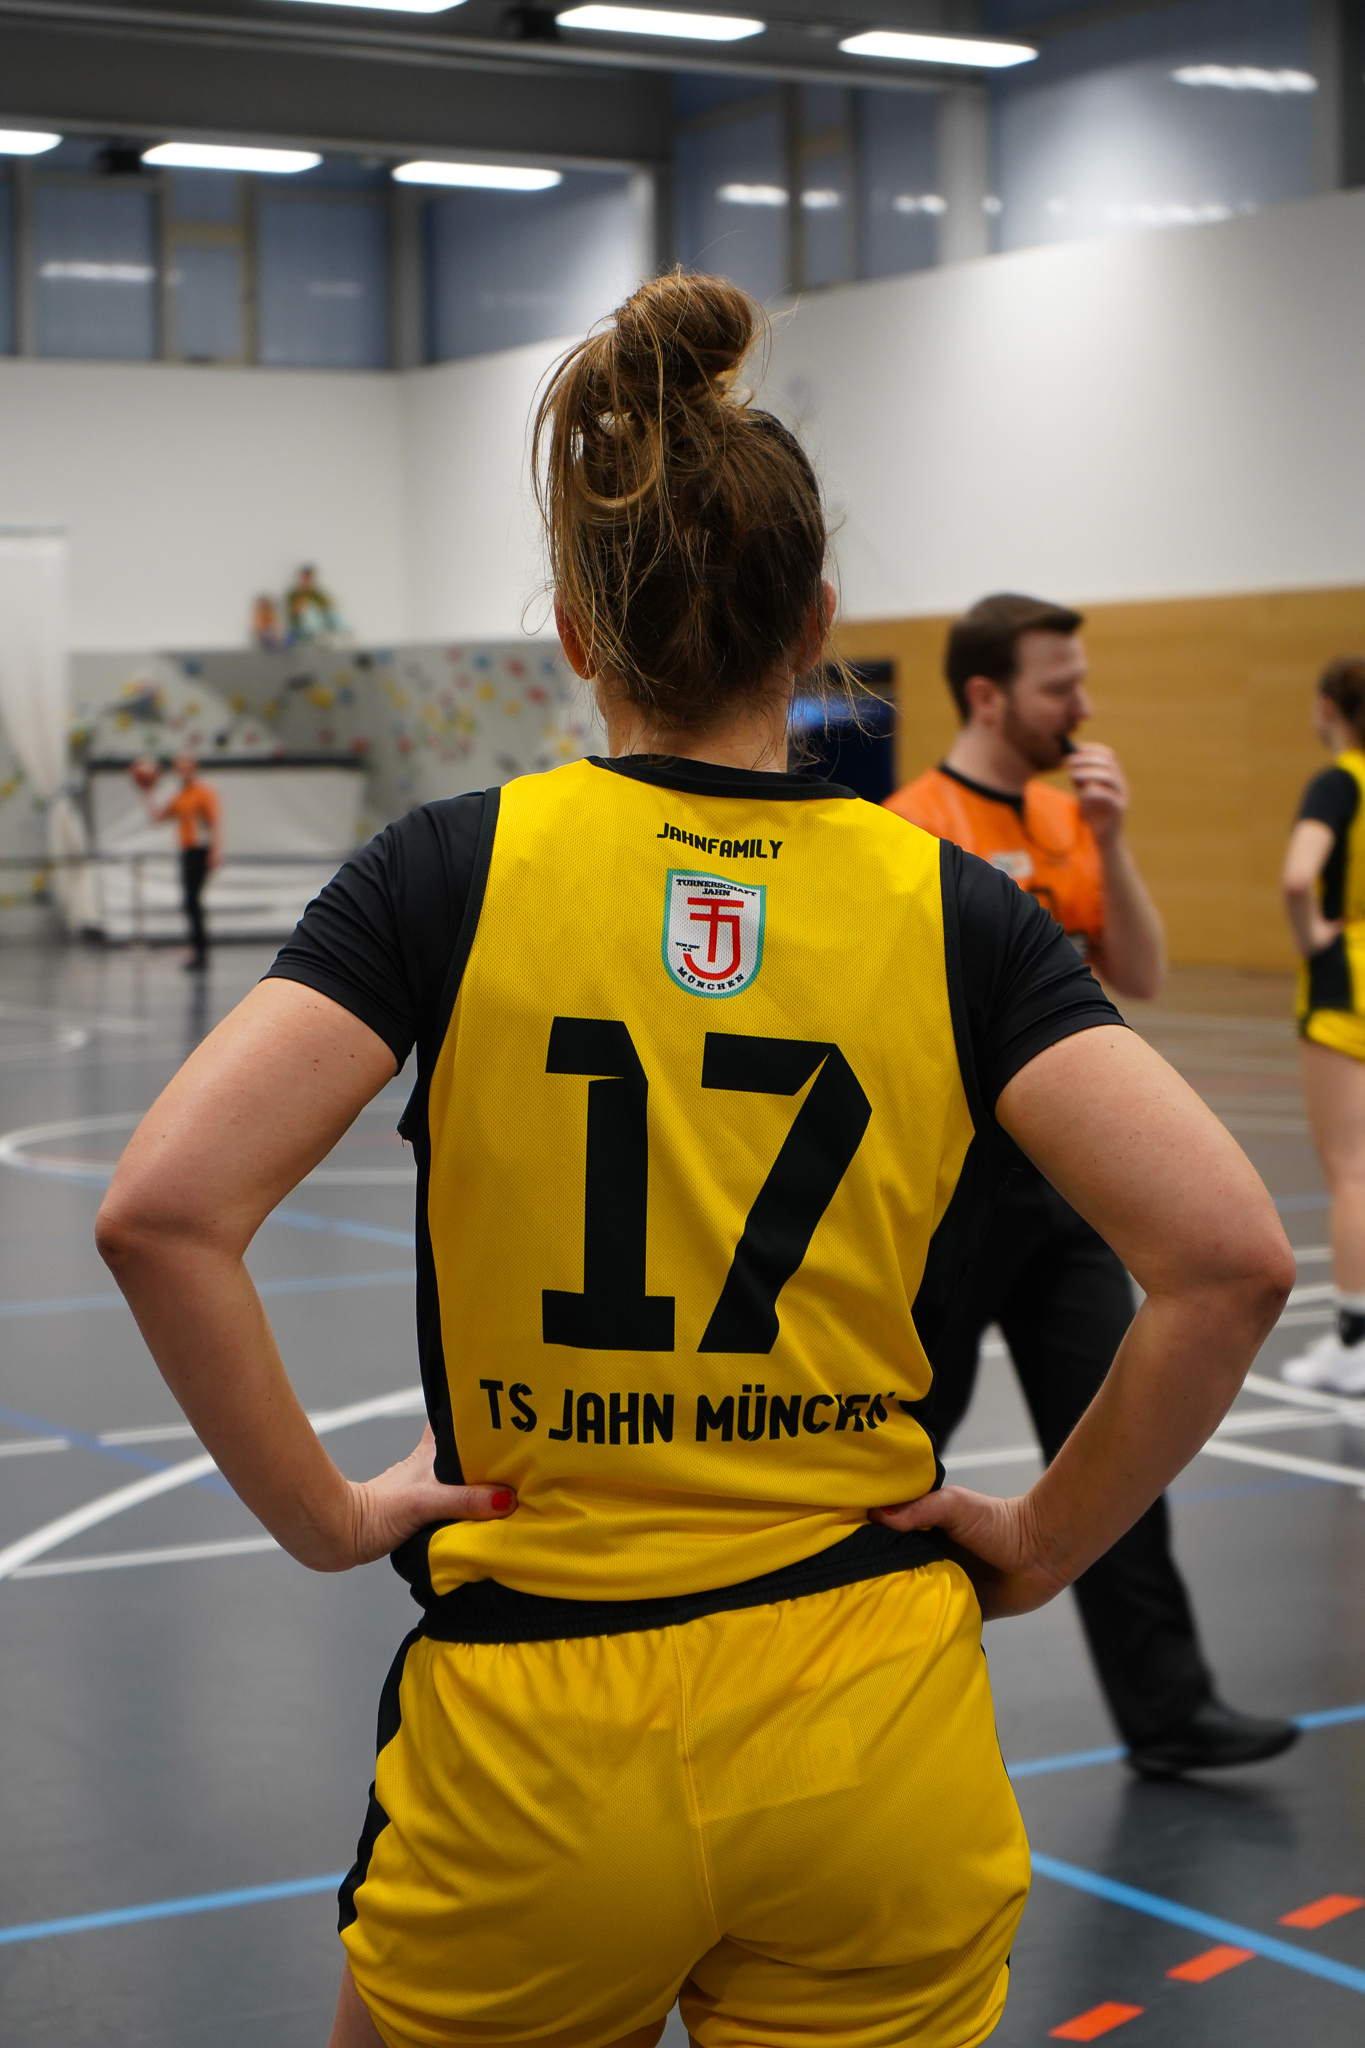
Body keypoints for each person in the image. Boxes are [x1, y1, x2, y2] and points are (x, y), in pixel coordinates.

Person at [95, 276, 1293, 2048]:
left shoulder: (449, 870)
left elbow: (162, 1212)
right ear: (815, 625)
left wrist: (330, 1517)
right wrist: (1042, 1540)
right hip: (872, 1726)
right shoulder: (948, 906)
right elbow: (1234, 1259)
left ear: (577, 631)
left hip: (540, 1734)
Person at [884, 595, 1298, 1777]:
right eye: (1061, 685)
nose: (1085, 704)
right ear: (987, 696)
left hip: (1068, 1197)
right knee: (892, 1448)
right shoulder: (913, 828)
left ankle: (1167, 1707)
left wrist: (1113, 840)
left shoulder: (1072, 816)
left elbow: (1143, 974)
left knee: (1119, 1437)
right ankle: (838, 1681)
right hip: (946, 1200)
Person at [1279, 656, 1365, 1393]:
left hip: (1348, 985)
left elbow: (1298, 875)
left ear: (1328, 707)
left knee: (1351, 1170)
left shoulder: (1339, 783)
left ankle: (1353, 1342)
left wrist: (1311, 937)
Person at [132, 750, 222, 971]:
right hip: (187, 852)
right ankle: (197, 951)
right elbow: (158, 817)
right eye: (179, 768)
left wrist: (215, 851)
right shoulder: (180, 796)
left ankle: (201, 952)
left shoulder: (203, 792)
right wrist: (147, 792)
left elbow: (214, 823)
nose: (182, 772)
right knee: (190, 903)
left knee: (192, 902)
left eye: (186, 767)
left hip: (200, 850)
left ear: (194, 768)